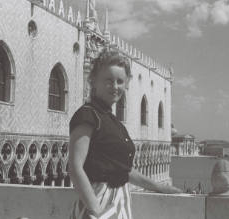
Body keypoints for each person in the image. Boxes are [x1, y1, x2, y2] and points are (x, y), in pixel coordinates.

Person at [69, 48, 182, 219]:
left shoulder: (114, 123)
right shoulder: (87, 115)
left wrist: (159, 187)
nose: (115, 86)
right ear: (93, 81)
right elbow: (75, 167)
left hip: (120, 202)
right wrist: (96, 211)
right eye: (108, 80)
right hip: (98, 203)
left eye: (120, 81)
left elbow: (124, 171)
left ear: (126, 84)